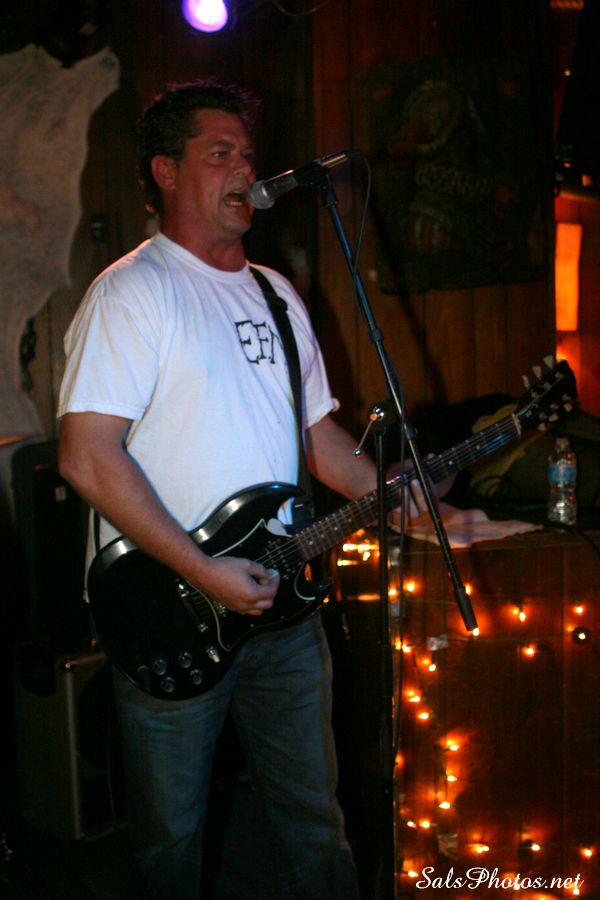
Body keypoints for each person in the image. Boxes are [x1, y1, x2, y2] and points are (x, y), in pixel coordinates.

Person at [57, 79, 417, 899]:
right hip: (168, 606)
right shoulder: (133, 292)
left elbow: (318, 439)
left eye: (248, 155)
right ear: (166, 172)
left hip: (283, 604)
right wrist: (203, 570)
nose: (246, 170)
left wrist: (410, 498)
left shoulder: (276, 295)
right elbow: (86, 457)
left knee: (313, 819)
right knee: (171, 841)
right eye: (219, 153)